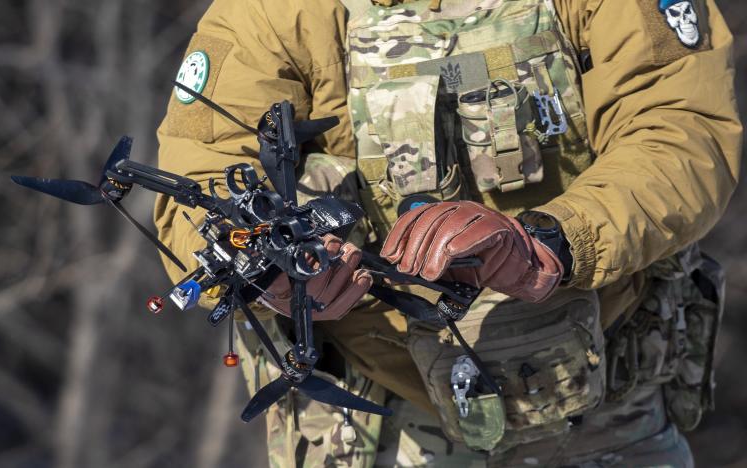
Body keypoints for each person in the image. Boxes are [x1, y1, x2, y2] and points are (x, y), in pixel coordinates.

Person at [154, 0, 741, 465]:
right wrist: (268, 269)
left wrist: (553, 239)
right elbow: (197, 174)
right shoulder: (272, 11)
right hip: (374, 418)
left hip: (600, 403)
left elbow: (682, 132)